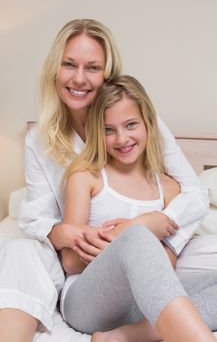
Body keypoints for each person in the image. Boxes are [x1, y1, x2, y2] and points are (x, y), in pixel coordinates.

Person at [0, 18, 215, 342]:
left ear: (108, 74)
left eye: (92, 67)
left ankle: (136, 334)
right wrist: (63, 232)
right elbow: (41, 224)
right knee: (18, 253)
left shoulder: (148, 131)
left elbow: (194, 193)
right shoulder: (56, 153)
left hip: (140, 277)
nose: (79, 78)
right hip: (82, 271)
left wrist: (154, 223)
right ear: (55, 69)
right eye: (69, 64)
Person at [60, 75, 217, 342]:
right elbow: (71, 261)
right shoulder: (86, 177)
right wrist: (135, 230)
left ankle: (129, 336)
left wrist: (133, 245)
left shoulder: (169, 189)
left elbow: (166, 264)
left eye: (131, 124)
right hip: (88, 302)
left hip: (143, 305)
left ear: (149, 124)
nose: (122, 139)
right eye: (108, 130)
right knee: (137, 235)